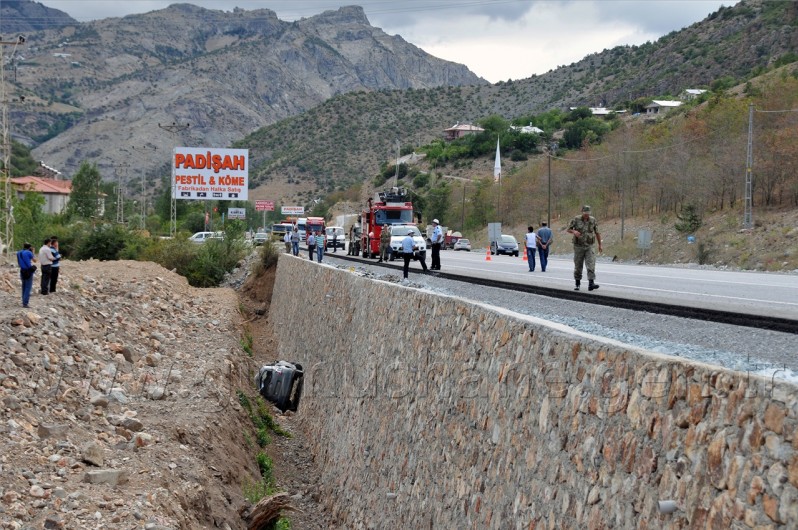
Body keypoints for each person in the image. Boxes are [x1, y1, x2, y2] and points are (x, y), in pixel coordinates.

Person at [566, 205, 603, 291]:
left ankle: (591, 283)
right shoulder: (576, 219)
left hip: (589, 246)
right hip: (579, 246)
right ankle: (577, 283)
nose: (587, 215)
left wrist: (600, 245)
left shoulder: (593, 220)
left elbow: (597, 232)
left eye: (588, 213)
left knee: (591, 264)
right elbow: (568, 229)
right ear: (582, 212)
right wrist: (574, 231)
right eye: (585, 213)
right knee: (578, 265)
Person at [16, 242, 37, 308]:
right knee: (28, 287)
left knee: (24, 286)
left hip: (22, 270)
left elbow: (19, 262)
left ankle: (23, 301)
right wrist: (33, 252)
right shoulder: (29, 253)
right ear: (30, 247)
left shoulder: (19, 252)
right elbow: (35, 260)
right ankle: (25, 303)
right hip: (28, 271)